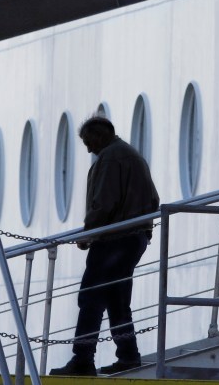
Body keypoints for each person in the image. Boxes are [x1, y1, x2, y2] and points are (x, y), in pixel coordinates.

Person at [50, 116, 160, 376]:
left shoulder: (111, 158)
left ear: (100, 136)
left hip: (114, 239)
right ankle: (129, 356)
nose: (89, 149)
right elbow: (153, 199)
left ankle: (83, 359)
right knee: (117, 299)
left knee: (91, 297)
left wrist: (88, 234)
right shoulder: (132, 156)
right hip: (134, 238)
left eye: (89, 142)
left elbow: (104, 204)